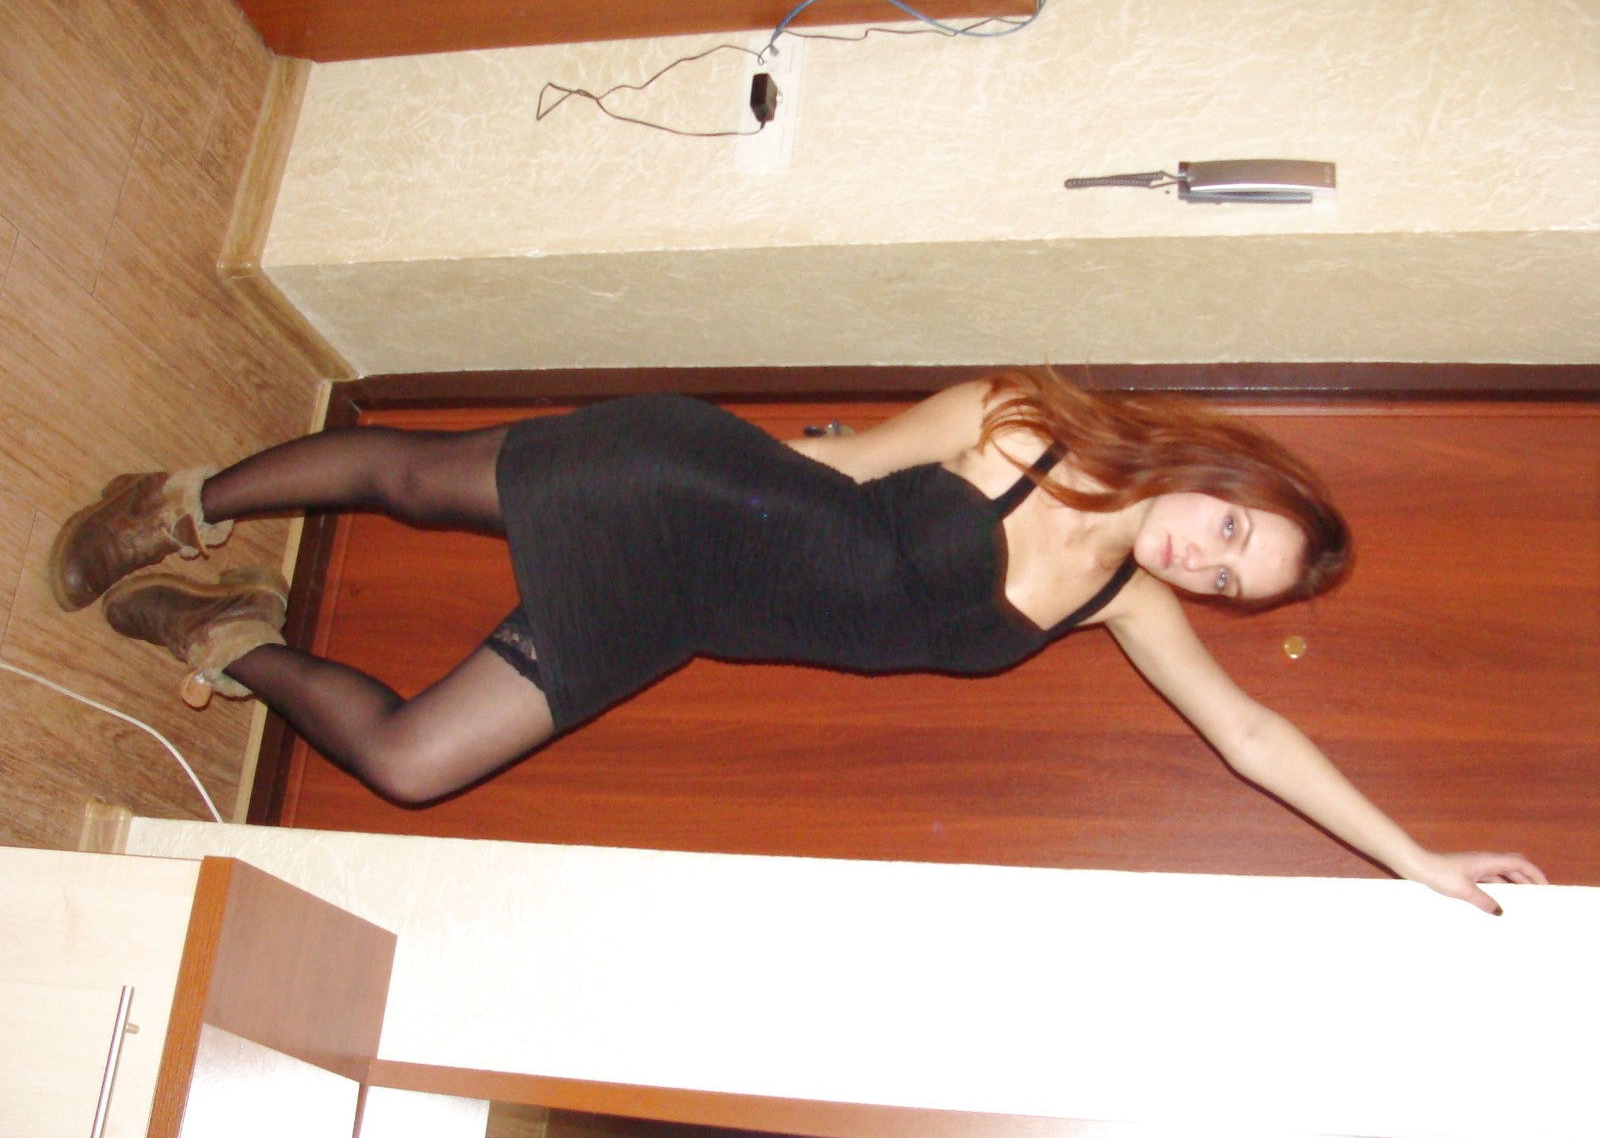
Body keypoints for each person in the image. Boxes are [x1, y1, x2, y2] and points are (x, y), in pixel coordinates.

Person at [48, 369, 1545, 913]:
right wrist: (643, 448)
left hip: (673, 615)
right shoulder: (1024, 419)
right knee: (408, 477)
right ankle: (177, 505)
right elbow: (837, 465)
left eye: (1227, 582)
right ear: (1219, 475)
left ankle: (227, 634)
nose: (1199, 563)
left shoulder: (1121, 605)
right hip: (682, 488)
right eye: (1226, 531)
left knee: (410, 763)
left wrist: (1415, 857)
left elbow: (1254, 735)